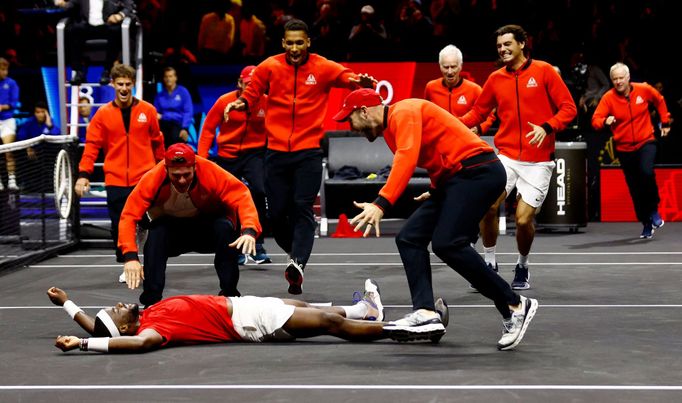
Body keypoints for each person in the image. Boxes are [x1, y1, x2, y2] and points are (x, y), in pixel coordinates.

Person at [336, 88, 538, 351]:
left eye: (349, 120)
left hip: (479, 171)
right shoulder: (390, 130)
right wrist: (434, 189)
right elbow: (435, 157)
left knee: (448, 243)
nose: (351, 128)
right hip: (456, 179)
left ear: (363, 111)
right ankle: (426, 313)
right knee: (409, 238)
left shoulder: (403, 112)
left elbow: (407, 157)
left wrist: (381, 203)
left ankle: (514, 304)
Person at [223, 19, 376, 295]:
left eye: (299, 42)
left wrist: (358, 82)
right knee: (276, 214)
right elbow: (253, 91)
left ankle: (298, 264)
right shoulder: (270, 66)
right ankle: (295, 253)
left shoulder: (323, 66)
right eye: (290, 43)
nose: (295, 48)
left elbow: (346, 77)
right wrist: (241, 102)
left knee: (302, 208)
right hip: (276, 153)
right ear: (283, 43)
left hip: (308, 152)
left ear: (308, 42)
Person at [459, 25, 577, 290]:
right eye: (499, 46)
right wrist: (453, 124)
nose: (502, 49)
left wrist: (547, 127)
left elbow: (569, 108)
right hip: (508, 157)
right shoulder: (495, 78)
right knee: (487, 205)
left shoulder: (544, 71)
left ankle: (522, 264)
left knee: (523, 220)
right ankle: (489, 262)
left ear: (523, 44)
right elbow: (478, 112)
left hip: (539, 161)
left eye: (508, 44)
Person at [47, 280, 447, 352]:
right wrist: (84, 344)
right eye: (117, 311)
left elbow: (96, 322)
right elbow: (132, 343)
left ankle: (366, 309)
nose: (119, 304)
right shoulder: (153, 328)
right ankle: (409, 328)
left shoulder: (148, 310)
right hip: (249, 323)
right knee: (329, 326)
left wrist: (67, 304)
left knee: (307, 308)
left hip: (244, 307)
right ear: (126, 325)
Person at [118, 143, 260, 306]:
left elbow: (241, 195)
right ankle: (151, 302)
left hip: (207, 227)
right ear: (166, 169)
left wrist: (249, 230)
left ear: (195, 167)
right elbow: (128, 215)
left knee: (225, 227)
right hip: (173, 231)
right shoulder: (153, 177)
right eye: (176, 175)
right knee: (157, 232)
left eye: (187, 174)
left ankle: (230, 295)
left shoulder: (209, 170)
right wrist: (130, 257)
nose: (182, 180)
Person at [75, 64, 165, 268]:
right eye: (120, 84)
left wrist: (163, 170)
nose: (124, 88)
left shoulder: (148, 110)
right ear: (113, 85)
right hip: (115, 179)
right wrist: (83, 174)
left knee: (148, 222)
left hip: (144, 177)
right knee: (119, 227)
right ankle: (127, 259)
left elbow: (158, 142)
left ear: (133, 84)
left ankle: (141, 261)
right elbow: (91, 147)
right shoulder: (102, 114)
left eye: (127, 84)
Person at [199, 65, 271, 265]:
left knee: (259, 191)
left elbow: (277, 130)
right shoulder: (225, 101)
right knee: (227, 200)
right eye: (247, 84)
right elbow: (208, 129)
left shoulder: (266, 102)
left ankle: (257, 244)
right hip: (227, 155)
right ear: (239, 83)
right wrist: (203, 159)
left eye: (254, 85)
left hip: (254, 154)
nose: (250, 88)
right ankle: (234, 245)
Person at [591, 63, 671, 239]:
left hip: (646, 141)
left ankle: (654, 211)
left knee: (646, 172)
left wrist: (664, 122)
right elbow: (595, 120)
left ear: (628, 78)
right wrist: (605, 121)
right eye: (615, 79)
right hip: (624, 148)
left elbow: (659, 100)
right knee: (635, 188)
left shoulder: (643, 89)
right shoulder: (608, 98)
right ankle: (646, 222)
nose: (618, 82)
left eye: (621, 78)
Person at [54, 0, 136, 86]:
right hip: (87, 25)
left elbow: (129, 6)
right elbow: (71, 5)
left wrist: (120, 15)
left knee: (116, 32)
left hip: (108, 24)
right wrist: (63, 4)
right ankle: (78, 71)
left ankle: (107, 71)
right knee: (71, 31)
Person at [424, 44, 494, 135]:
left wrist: (479, 129)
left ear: (460, 66)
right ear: (440, 66)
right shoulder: (431, 87)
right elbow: (426, 115)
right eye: (446, 67)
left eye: (453, 67)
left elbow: (489, 115)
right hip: (439, 139)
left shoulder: (475, 89)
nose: (450, 72)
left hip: (465, 140)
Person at [154, 66, 193, 149]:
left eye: (171, 76)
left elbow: (188, 111)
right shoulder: (160, 95)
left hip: (179, 125)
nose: (169, 79)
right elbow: (156, 113)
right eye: (166, 77)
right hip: (164, 126)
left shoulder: (183, 92)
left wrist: (185, 128)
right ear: (164, 79)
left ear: (175, 78)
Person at [0, 57, 20, 191]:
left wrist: (2, 107)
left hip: (7, 121)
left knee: (8, 152)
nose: (4, 72)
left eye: (6, 69)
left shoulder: (12, 83)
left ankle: (12, 181)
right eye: (2, 69)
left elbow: (14, 103)